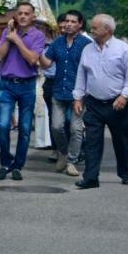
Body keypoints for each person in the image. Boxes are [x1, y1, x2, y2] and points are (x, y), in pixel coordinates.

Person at [71, 14, 128, 188]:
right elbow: (81, 74)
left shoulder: (123, 49)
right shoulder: (88, 49)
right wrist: (78, 97)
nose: (91, 30)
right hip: (93, 103)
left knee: (123, 140)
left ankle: (126, 173)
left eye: (94, 28)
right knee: (92, 141)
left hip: (117, 103)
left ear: (107, 29)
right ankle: (91, 177)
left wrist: (124, 96)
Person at [0, 1, 46, 180]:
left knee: (24, 127)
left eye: (26, 13)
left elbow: (32, 59)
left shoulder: (38, 35)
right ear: (15, 16)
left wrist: (18, 41)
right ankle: (5, 162)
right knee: (2, 125)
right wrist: (10, 36)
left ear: (33, 17)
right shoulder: (8, 33)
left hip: (27, 85)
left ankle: (18, 166)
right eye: (20, 13)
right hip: (6, 84)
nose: (23, 16)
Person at [41, 10, 92, 178]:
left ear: (80, 25)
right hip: (58, 91)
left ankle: (71, 161)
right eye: (67, 21)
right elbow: (47, 64)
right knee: (56, 126)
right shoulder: (57, 43)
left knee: (76, 129)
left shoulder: (86, 44)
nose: (69, 24)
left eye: (73, 21)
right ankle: (63, 153)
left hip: (78, 94)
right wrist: (37, 52)